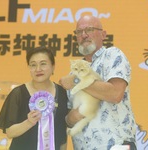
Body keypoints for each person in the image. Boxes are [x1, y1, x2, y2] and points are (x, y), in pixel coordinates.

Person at [59, 15, 137, 150]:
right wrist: (74, 116)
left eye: (89, 29)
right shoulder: (73, 74)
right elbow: (68, 121)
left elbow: (115, 94)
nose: (84, 35)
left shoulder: (112, 55)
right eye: (79, 32)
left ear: (103, 34)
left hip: (116, 146)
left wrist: (77, 81)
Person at [0, 46, 68, 150]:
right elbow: (10, 132)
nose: (38, 69)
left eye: (43, 64)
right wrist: (29, 122)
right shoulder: (18, 93)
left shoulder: (62, 93)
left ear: (53, 66)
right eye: (33, 65)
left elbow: (62, 133)